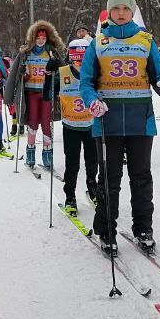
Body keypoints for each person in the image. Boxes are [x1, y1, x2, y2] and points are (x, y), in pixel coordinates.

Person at [80, 0, 160, 252]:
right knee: (110, 178)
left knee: (141, 176)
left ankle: (143, 227)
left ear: (132, 11)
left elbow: (158, 73)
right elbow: (86, 82)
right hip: (107, 121)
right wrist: (92, 101)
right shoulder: (98, 43)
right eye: (116, 8)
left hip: (140, 120)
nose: (121, 13)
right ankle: (106, 229)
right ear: (109, 11)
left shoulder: (145, 40)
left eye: (125, 8)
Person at [4, 21, 64, 172]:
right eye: (38, 38)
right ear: (33, 38)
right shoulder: (25, 53)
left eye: (43, 38)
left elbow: (63, 72)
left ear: (48, 38)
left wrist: (55, 71)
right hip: (30, 92)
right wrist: (10, 94)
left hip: (46, 93)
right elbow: (13, 76)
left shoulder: (52, 53)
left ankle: (47, 154)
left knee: (46, 122)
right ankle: (30, 152)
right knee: (32, 122)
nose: (41, 40)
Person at [58, 31, 98, 215]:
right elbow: (45, 94)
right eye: (76, 61)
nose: (80, 65)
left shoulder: (94, 74)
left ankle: (92, 187)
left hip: (91, 125)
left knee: (93, 161)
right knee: (72, 163)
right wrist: (50, 75)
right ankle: (70, 196)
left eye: (83, 60)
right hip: (71, 127)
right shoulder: (63, 73)